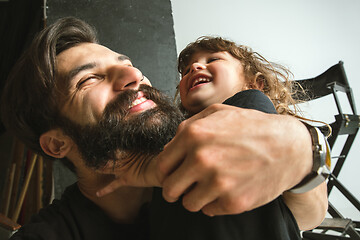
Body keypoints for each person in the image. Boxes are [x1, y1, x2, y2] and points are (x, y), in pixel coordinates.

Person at [0, 17, 327, 240]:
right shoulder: (53, 232)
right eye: (89, 79)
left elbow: (307, 215)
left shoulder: (214, 140)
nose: (134, 75)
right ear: (57, 144)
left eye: (126, 65)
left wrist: (302, 148)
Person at [98, 37, 329, 240]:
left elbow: (309, 215)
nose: (196, 66)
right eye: (186, 70)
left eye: (214, 60)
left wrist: (300, 153)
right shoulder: (175, 134)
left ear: (254, 81)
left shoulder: (250, 103)